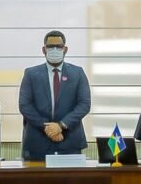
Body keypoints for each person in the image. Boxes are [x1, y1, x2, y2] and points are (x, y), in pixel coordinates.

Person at [18, 30, 91, 161]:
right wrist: (48, 128)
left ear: (65, 49)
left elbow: (84, 105)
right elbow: (25, 106)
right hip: (38, 144)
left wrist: (60, 126)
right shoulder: (31, 74)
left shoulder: (78, 73)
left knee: (71, 176)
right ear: (44, 50)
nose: (55, 50)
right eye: (51, 47)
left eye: (59, 46)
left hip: (69, 142)